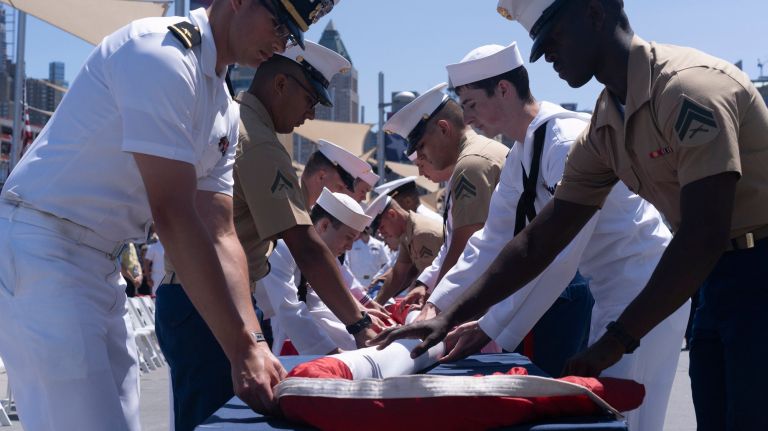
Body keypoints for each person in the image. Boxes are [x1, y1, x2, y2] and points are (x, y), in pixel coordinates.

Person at [375, 0, 768, 429]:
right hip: (700, 278)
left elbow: (699, 233)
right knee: (717, 414)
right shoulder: (602, 122)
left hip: (738, 270)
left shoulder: (686, 91)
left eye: (554, 35)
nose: (545, 55)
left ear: (596, 13)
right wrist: (447, 312)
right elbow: (532, 240)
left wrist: (610, 340)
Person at [0, 0, 342, 429]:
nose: (279, 43)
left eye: (289, 35)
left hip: (97, 260)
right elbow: (174, 212)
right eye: (276, 23)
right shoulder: (161, 54)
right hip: (45, 249)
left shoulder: (222, 105)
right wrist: (240, 349)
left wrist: (254, 340)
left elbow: (221, 233)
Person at [416, 42, 685, 429]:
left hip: (645, 290)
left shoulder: (565, 141)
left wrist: (488, 327)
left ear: (504, 90)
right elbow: (491, 241)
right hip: (613, 293)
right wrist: (437, 307)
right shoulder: (522, 154)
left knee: (631, 417)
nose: (469, 120)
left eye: (472, 104)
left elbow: (559, 256)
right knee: (614, 415)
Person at [154, 39, 378, 431]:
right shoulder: (257, 141)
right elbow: (305, 245)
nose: (310, 114)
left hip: (197, 301)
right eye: (309, 98)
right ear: (280, 85)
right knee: (217, 424)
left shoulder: (230, 118)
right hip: (210, 305)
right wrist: (360, 326)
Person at [383, 83, 509, 315]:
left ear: (443, 128)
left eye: (421, 147)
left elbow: (465, 245)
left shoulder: (471, 165)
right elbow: (453, 243)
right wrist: (426, 283)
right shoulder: (473, 159)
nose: (421, 158)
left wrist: (435, 305)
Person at [263, 188, 374, 355]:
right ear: (324, 225)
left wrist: (361, 325)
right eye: (348, 237)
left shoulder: (327, 259)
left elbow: (321, 308)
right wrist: (334, 354)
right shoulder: (282, 248)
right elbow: (290, 311)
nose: (350, 247)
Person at [364, 193, 444, 305]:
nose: (381, 234)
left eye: (382, 227)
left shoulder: (421, 233)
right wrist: (377, 304)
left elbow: (435, 280)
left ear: (392, 214)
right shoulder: (407, 234)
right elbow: (397, 274)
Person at [374, 176, 442, 222]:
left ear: (408, 201)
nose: (392, 211)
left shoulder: (426, 221)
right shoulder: (416, 220)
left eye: (394, 206)